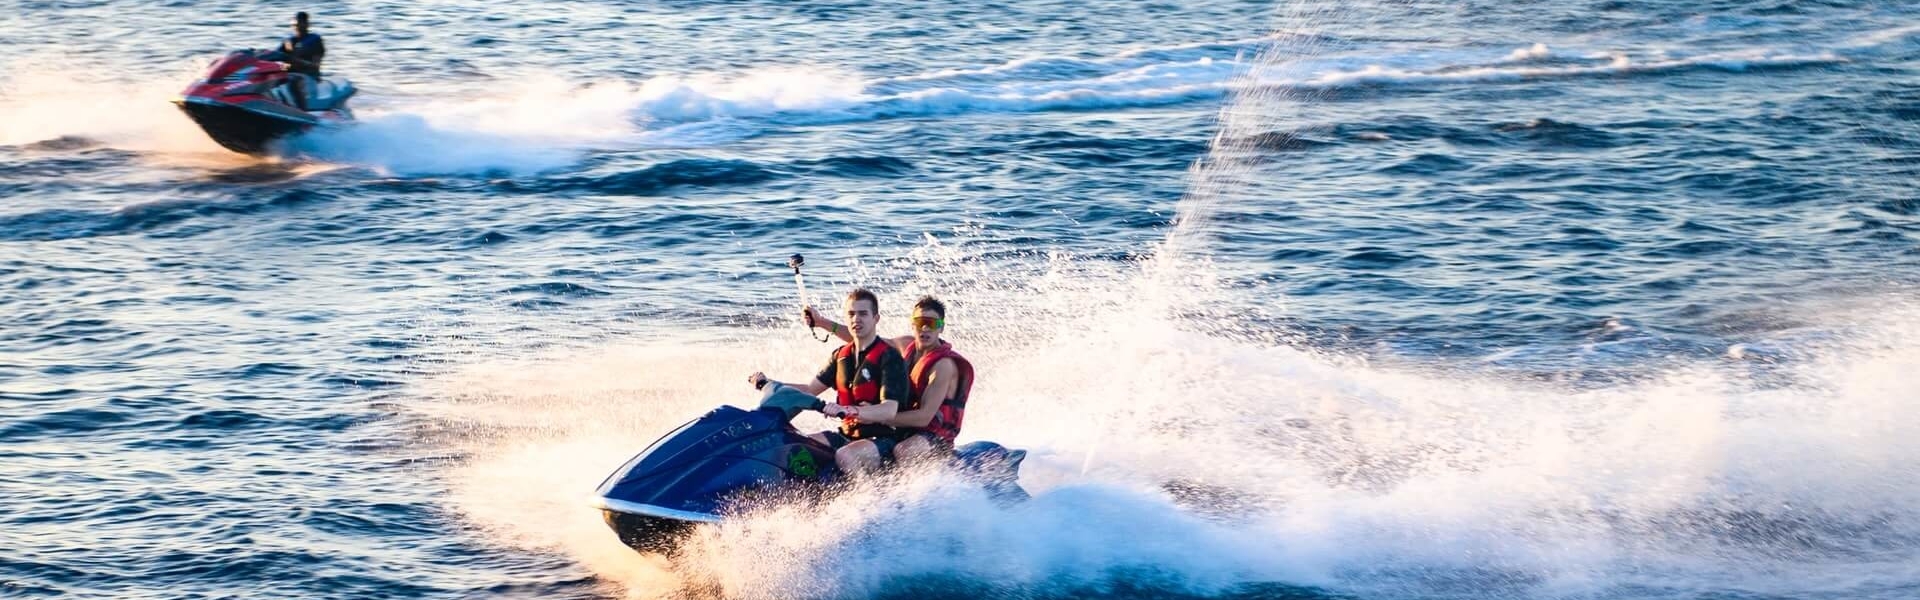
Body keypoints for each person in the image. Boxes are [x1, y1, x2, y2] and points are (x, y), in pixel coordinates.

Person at [749, 289, 911, 475]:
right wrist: (769, 383)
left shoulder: (890, 358)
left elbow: (889, 410)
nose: (856, 319)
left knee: (846, 455)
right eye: (851, 314)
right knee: (792, 446)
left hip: (883, 439)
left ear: (876, 319)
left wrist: (849, 410)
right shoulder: (840, 356)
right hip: (846, 436)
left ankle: (869, 493)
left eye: (863, 314)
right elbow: (809, 390)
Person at [802, 295, 972, 464]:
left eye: (932, 324)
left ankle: (911, 483)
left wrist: (875, 415)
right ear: (913, 325)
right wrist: (822, 323)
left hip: (935, 435)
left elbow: (924, 418)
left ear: (941, 327)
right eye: (920, 322)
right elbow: (864, 340)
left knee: (904, 451)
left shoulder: (943, 366)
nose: (925, 329)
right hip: (902, 427)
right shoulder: (906, 345)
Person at [263, 12, 326, 110]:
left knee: (293, 80)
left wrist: (296, 62)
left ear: (307, 24)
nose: (297, 27)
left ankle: (302, 111)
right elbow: (276, 54)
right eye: (296, 24)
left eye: (300, 24)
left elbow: (315, 65)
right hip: (289, 73)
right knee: (267, 78)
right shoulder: (289, 42)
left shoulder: (314, 40)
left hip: (309, 75)